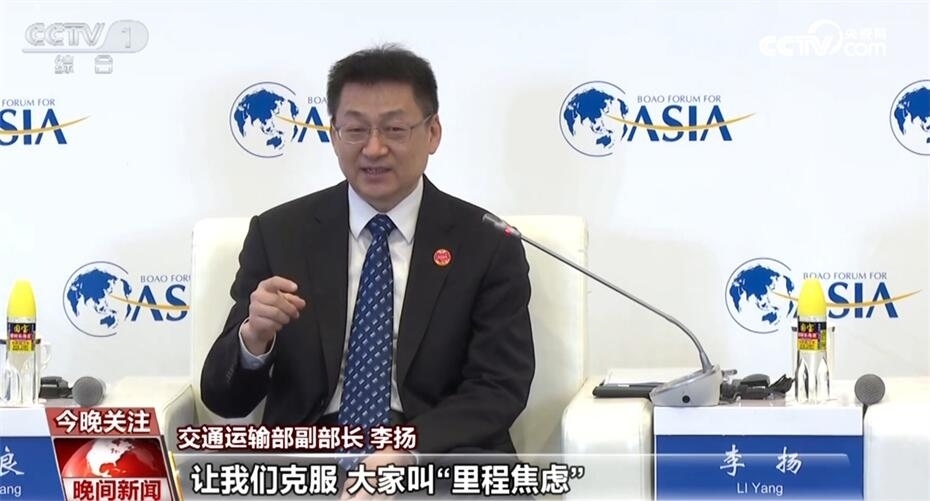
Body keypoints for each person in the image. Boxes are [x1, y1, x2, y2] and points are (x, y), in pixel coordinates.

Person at [200, 44, 535, 491]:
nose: (374, 149)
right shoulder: (279, 233)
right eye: (355, 130)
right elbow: (224, 399)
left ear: (432, 133)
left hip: (436, 457)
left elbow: (498, 387)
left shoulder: (488, 242)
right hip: (307, 464)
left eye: (395, 129)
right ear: (334, 134)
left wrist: (404, 451)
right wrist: (253, 338)